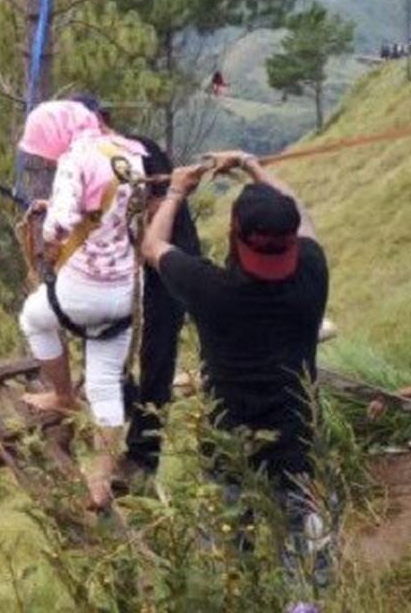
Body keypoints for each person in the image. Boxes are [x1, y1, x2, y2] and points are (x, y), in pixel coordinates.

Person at [142, 151, 331, 581]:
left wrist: (175, 191)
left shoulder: (210, 289)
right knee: (309, 575)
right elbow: (302, 217)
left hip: (229, 453)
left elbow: (152, 247)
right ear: (291, 243)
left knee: (230, 575)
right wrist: (252, 166)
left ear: (233, 233)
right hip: (299, 451)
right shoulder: (312, 274)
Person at [16, 100, 149, 508]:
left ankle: (61, 395)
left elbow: (59, 226)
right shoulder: (126, 152)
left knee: (34, 318)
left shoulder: (75, 159)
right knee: (104, 384)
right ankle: (100, 483)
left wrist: (51, 222)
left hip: (84, 290)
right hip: (127, 288)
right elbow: (114, 208)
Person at [71, 95, 202, 478]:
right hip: (120, 268)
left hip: (165, 262)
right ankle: (122, 404)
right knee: (105, 337)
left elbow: (160, 210)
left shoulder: (141, 150)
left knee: (158, 354)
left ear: (101, 121)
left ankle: (144, 456)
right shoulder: (85, 164)